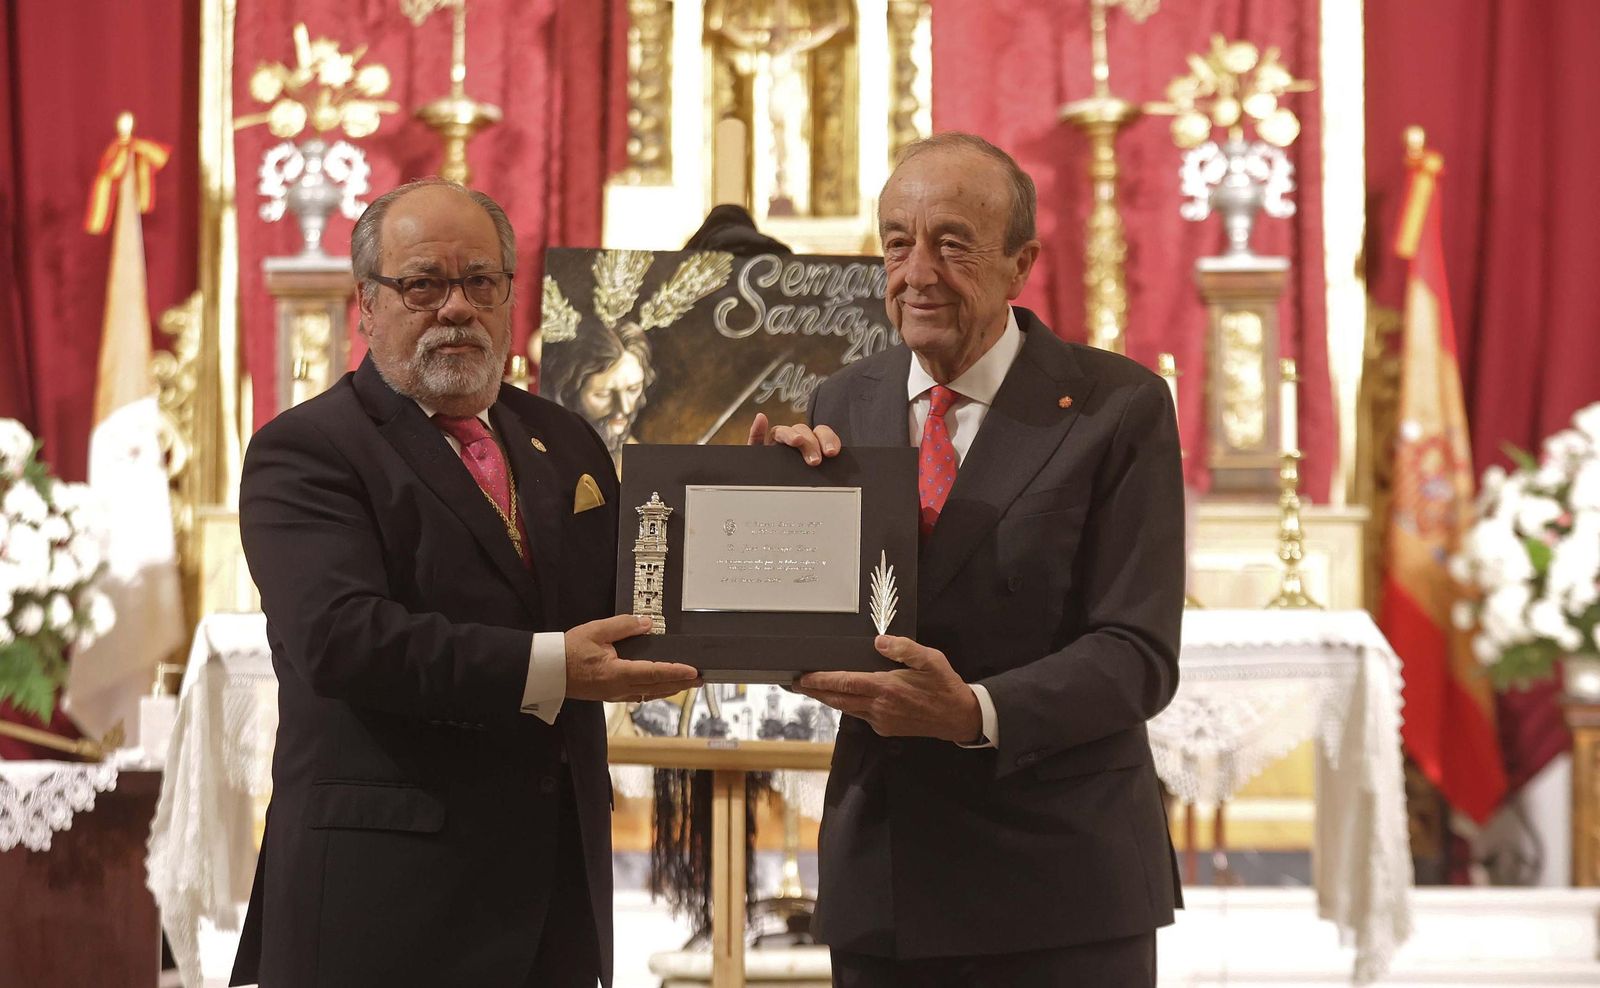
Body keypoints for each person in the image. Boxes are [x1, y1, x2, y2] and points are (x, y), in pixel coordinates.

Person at [231, 177, 699, 988]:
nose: (455, 307)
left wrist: (780, 492)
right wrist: (553, 668)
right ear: (367, 306)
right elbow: (344, 641)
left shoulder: (566, 441)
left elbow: (649, 590)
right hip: (382, 909)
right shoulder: (308, 451)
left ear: (510, 297)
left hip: (551, 906)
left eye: (479, 281)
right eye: (423, 284)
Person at [754, 132, 1185, 986]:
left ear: (1021, 261)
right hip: (887, 876)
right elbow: (835, 624)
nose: (919, 273)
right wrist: (770, 536)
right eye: (897, 244)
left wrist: (976, 711)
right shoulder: (846, 400)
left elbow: (1137, 654)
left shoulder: (1116, 407)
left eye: (953, 244)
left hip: (1058, 882)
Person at [545, 320, 654, 470]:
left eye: (633, 389)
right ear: (570, 393)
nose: (624, 407)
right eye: (603, 394)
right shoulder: (552, 456)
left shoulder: (643, 464)